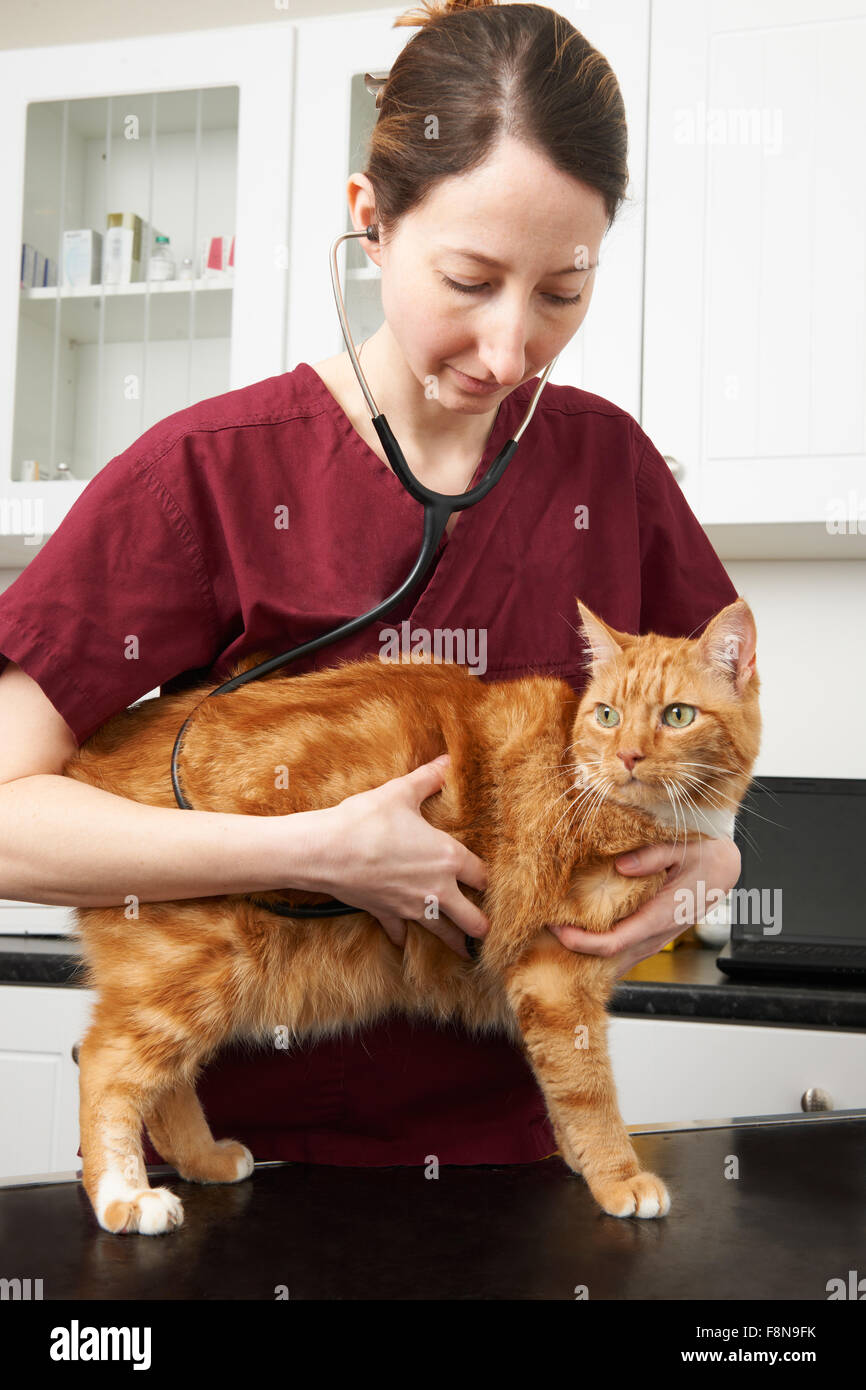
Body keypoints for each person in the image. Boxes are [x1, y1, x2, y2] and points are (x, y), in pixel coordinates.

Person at [0, 0, 740, 1168]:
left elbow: (709, 732)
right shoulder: (204, 474)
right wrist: (308, 849)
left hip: (521, 1165)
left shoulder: (613, 468)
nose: (507, 351)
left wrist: (714, 859)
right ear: (369, 224)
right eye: (467, 278)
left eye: (561, 292)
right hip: (250, 1168)